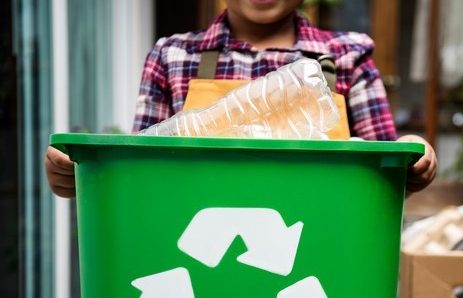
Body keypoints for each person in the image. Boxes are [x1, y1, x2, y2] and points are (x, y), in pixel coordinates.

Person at [45, 0, 437, 198]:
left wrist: (410, 156)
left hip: (320, 253)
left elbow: (387, 177)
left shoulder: (348, 58)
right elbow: (139, 179)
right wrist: (81, 179)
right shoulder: (174, 57)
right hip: (195, 254)